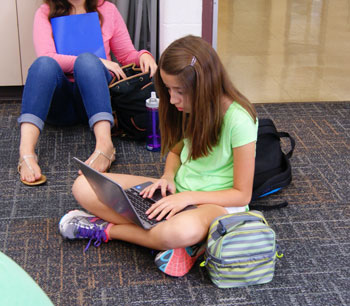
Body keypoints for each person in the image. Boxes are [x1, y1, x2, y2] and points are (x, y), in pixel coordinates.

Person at [59, 35, 258, 277]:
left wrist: (186, 199)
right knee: (84, 186)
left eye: (179, 92)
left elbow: (242, 194)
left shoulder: (240, 120)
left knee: (179, 232)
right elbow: (175, 152)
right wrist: (168, 177)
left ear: (205, 85)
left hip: (219, 206)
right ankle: (170, 239)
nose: (172, 100)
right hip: (178, 193)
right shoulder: (193, 107)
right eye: (168, 90)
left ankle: (106, 229)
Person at [17, 0, 157, 186]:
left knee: (88, 62)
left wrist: (143, 55)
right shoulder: (45, 12)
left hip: (96, 100)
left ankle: (105, 146)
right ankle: (26, 154)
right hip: (61, 105)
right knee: (43, 64)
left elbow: (125, 55)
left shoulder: (107, 10)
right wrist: (100, 61)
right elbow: (48, 56)